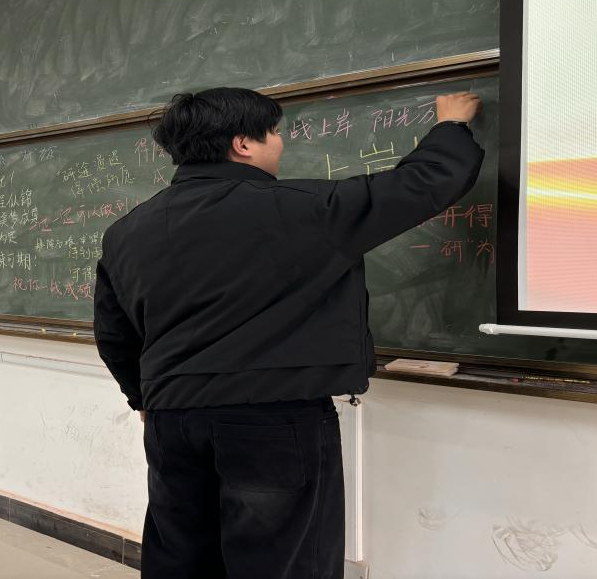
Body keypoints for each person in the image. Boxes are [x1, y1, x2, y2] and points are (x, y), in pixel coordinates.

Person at [93, 87, 483, 579]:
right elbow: (421, 184)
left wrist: (143, 397)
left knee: (182, 558)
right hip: (272, 421)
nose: (280, 142)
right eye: (274, 132)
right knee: (282, 564)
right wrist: (450, 127)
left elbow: (114, 333)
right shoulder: (304, 209)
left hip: (173, 421)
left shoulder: (127, 231)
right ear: (242, 143)